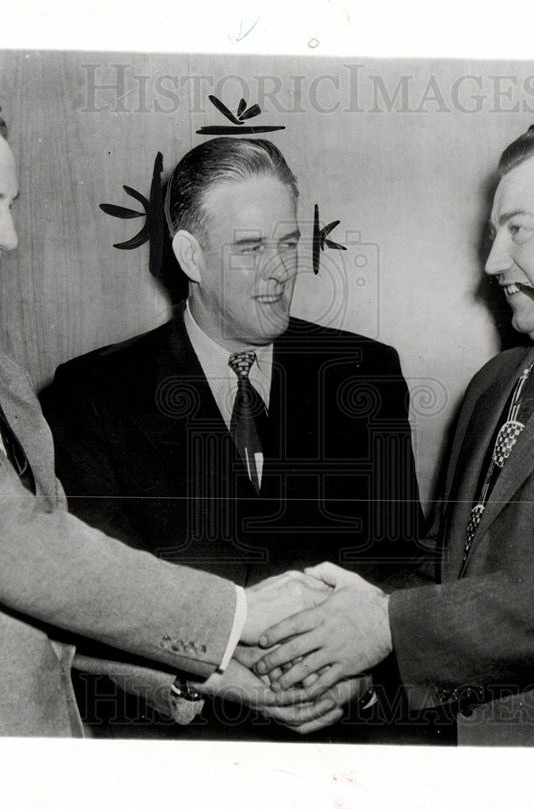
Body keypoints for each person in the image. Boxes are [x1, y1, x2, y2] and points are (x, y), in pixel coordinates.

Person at [0, 71, 331, 737]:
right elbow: (25, 551)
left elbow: (41, 611)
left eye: (10, 205)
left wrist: (196, 674)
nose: (8, 235)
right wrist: (241, 615)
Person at [254, 121, 534, 748]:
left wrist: (386, 627)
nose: (493, 262)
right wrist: (338, 626)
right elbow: (451, 561)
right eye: (493, 232)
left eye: (518, 229)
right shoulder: (499, 380)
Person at [39, 137, 433, 742]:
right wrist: (221, 678)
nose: (281, 270)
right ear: (191, 257)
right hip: (183, 752)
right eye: (252, 248)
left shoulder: (365, 373)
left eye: (289, 243)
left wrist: (358, 673)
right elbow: (92, 603)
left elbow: (401, 561)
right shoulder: (90, 394)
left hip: (344, 743)